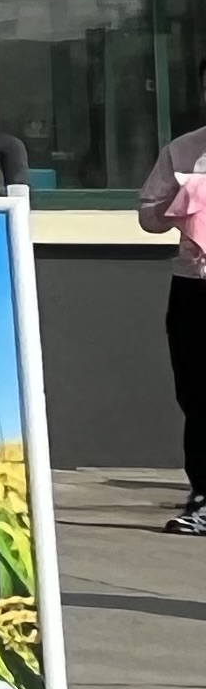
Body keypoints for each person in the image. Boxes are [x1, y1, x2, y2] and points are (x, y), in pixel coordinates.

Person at [134, 99, 206, 535]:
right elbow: (148, 217)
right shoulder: (183, 151)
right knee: (198, 395)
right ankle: (204, 498)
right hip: (195, 285)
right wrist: (180, 203)